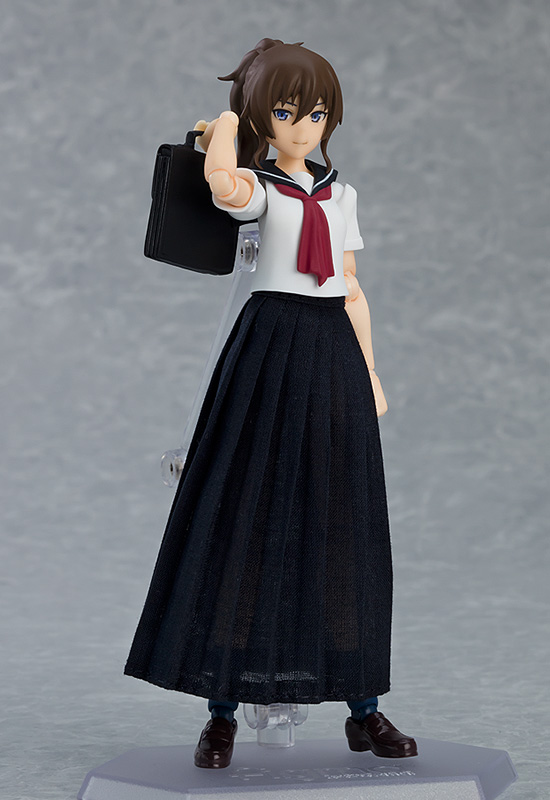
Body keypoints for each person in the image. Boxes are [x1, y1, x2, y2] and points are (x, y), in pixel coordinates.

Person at [125, 38, 417, 768]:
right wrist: (226, 128)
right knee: (245, 518)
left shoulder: (340, 195)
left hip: (332, 351)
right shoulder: (262, 188)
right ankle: (221, 713)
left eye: (315, 114)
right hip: (268, 347)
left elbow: (351, 285)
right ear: (264, 117)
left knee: (343, 523)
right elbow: (225, 188)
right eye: (286, 113)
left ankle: (363, 709)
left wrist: (372, 372)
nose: (303, 127)